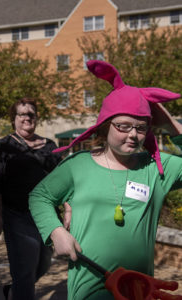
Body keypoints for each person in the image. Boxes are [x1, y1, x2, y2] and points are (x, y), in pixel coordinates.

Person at [29, 60, 182, 300]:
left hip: (137, 292)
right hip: (87, 293)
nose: (133, 134)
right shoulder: (77, 165)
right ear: (104, 126)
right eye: (123, 126)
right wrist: (56, 231)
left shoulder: (156, 167)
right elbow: (39, 196)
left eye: (141, 128)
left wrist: (172, 126)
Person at [0, 97, 61, 300]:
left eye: (31, 114)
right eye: (22, 114)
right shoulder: (4, 147)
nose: (27, 117)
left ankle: (15, 290)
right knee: (24, 268)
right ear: (14, 119)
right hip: (17, 214)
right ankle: (21, 291)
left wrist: (69, 209)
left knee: (43, 263)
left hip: (46, 215)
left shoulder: (50, 146)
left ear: (36, 118)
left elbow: (63, 180)